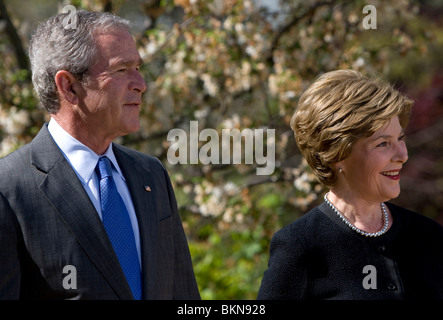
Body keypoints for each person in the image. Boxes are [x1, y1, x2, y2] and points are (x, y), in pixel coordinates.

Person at [0, 9, 200, 300]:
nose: (141, 84)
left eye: (138, 68)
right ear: (68, 86)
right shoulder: (9, 189)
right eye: (121, 70)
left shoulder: (151, 175)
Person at [257, 69, 443, 300]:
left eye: (400, 139)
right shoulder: (300, 245)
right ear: (337, 155)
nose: (402, 155)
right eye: (383, 144)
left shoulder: (428, 236)